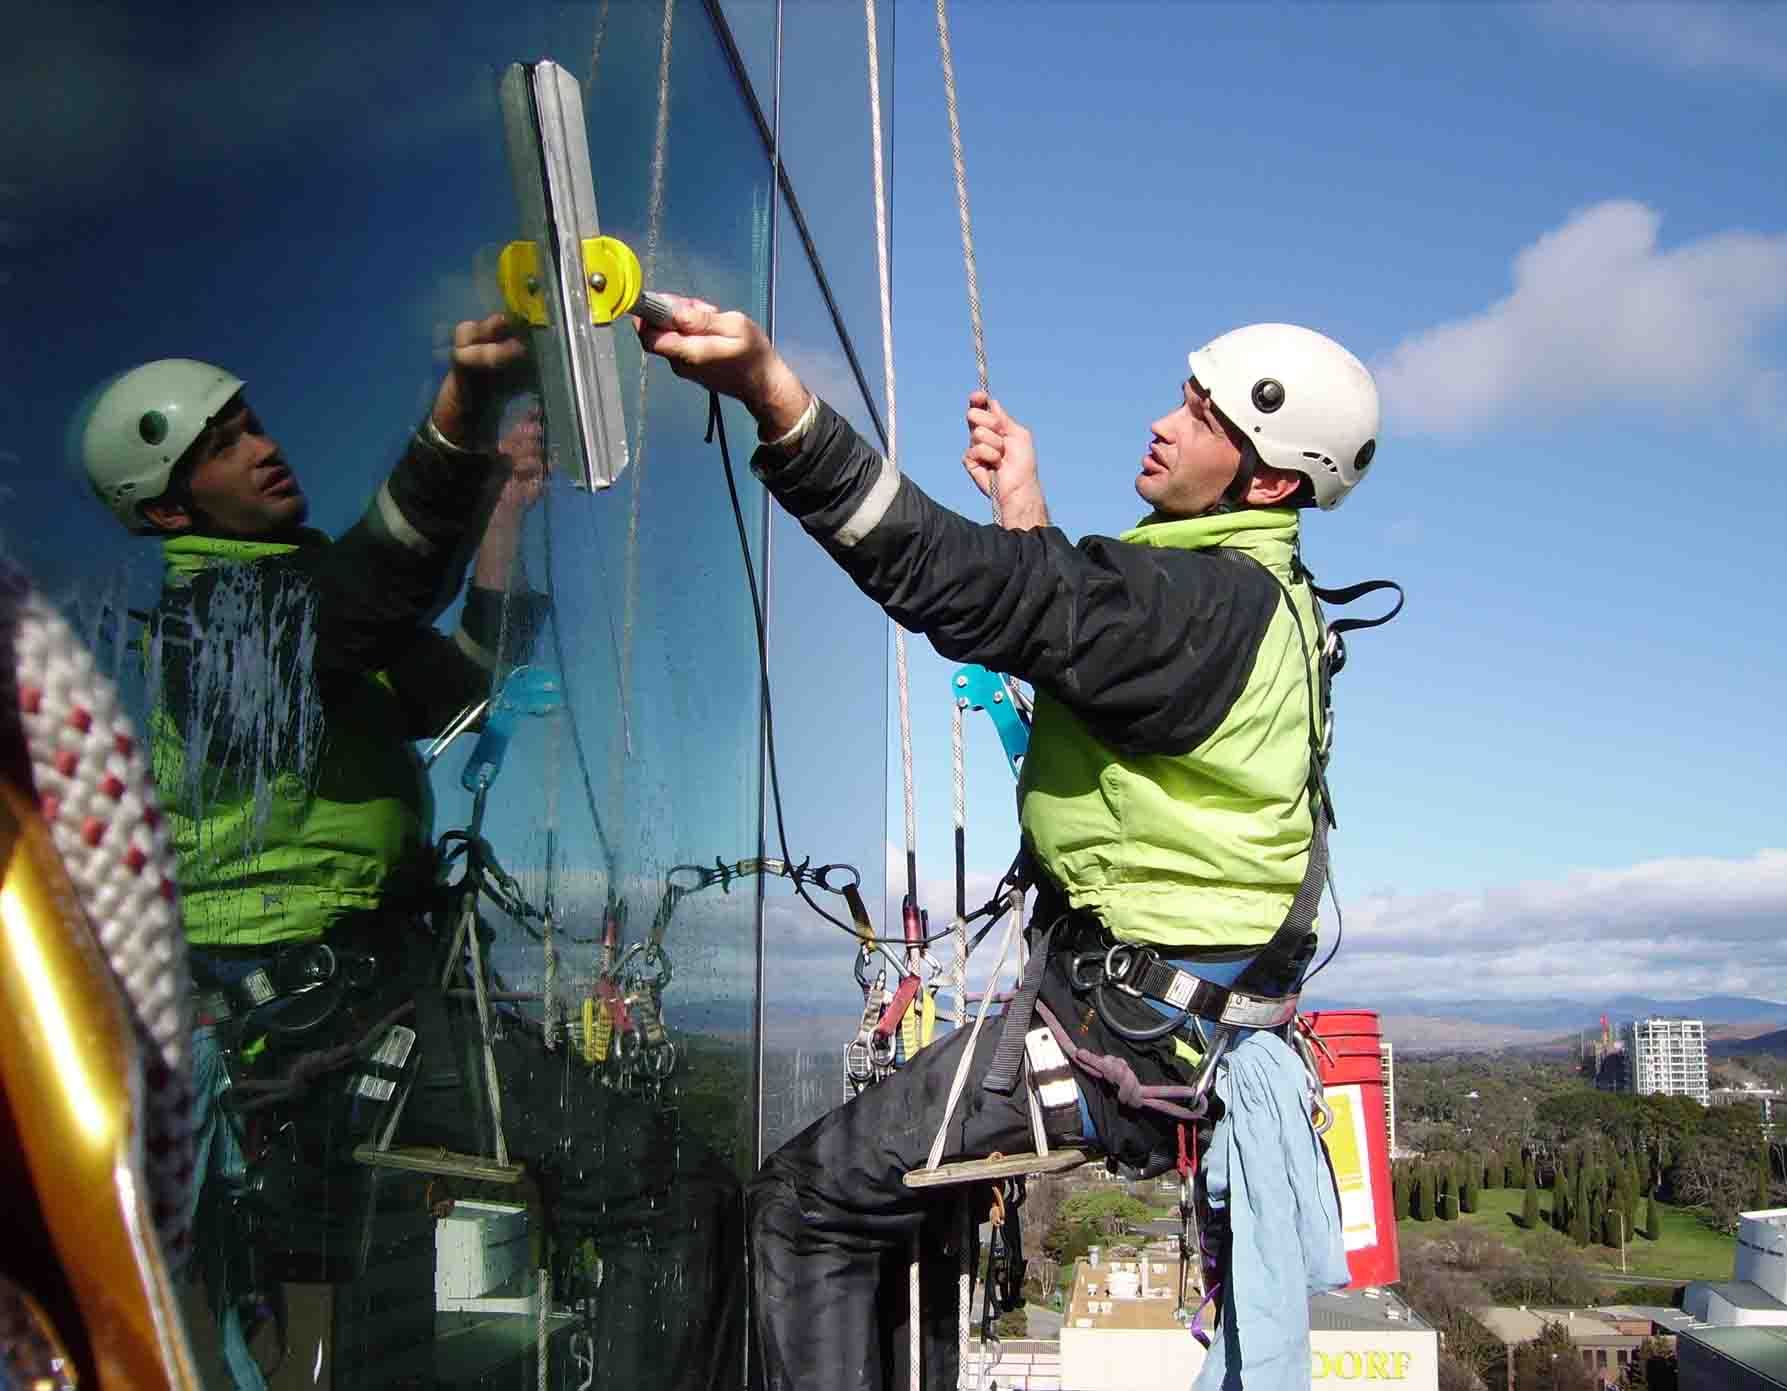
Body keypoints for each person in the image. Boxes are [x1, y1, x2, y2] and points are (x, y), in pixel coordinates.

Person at [638, 297, 1385, 1390]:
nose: (1166, 425)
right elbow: (1077, 628)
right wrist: (1023, 508)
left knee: (802, 1204)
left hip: (1124, 1028)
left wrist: (779, 402)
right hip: (1177, 1019)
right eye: (1182, 399)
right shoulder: (1255, 598)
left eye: (1203, 418)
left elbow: (978, 589)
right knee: (905, 1200)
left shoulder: (1206, 602)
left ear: (1267, 481)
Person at [76, 317, 743, 1390]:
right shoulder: (216, 630)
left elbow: (463, 680)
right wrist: (461, 419)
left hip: (359, 1009)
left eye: (250, 423)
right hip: (325, 1020)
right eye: (221, 446)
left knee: (408, 1321)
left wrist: (504, 514)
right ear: (168, 509)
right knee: (662, 1188)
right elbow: (375, 589)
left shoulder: (296, 616)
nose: (261, 446)